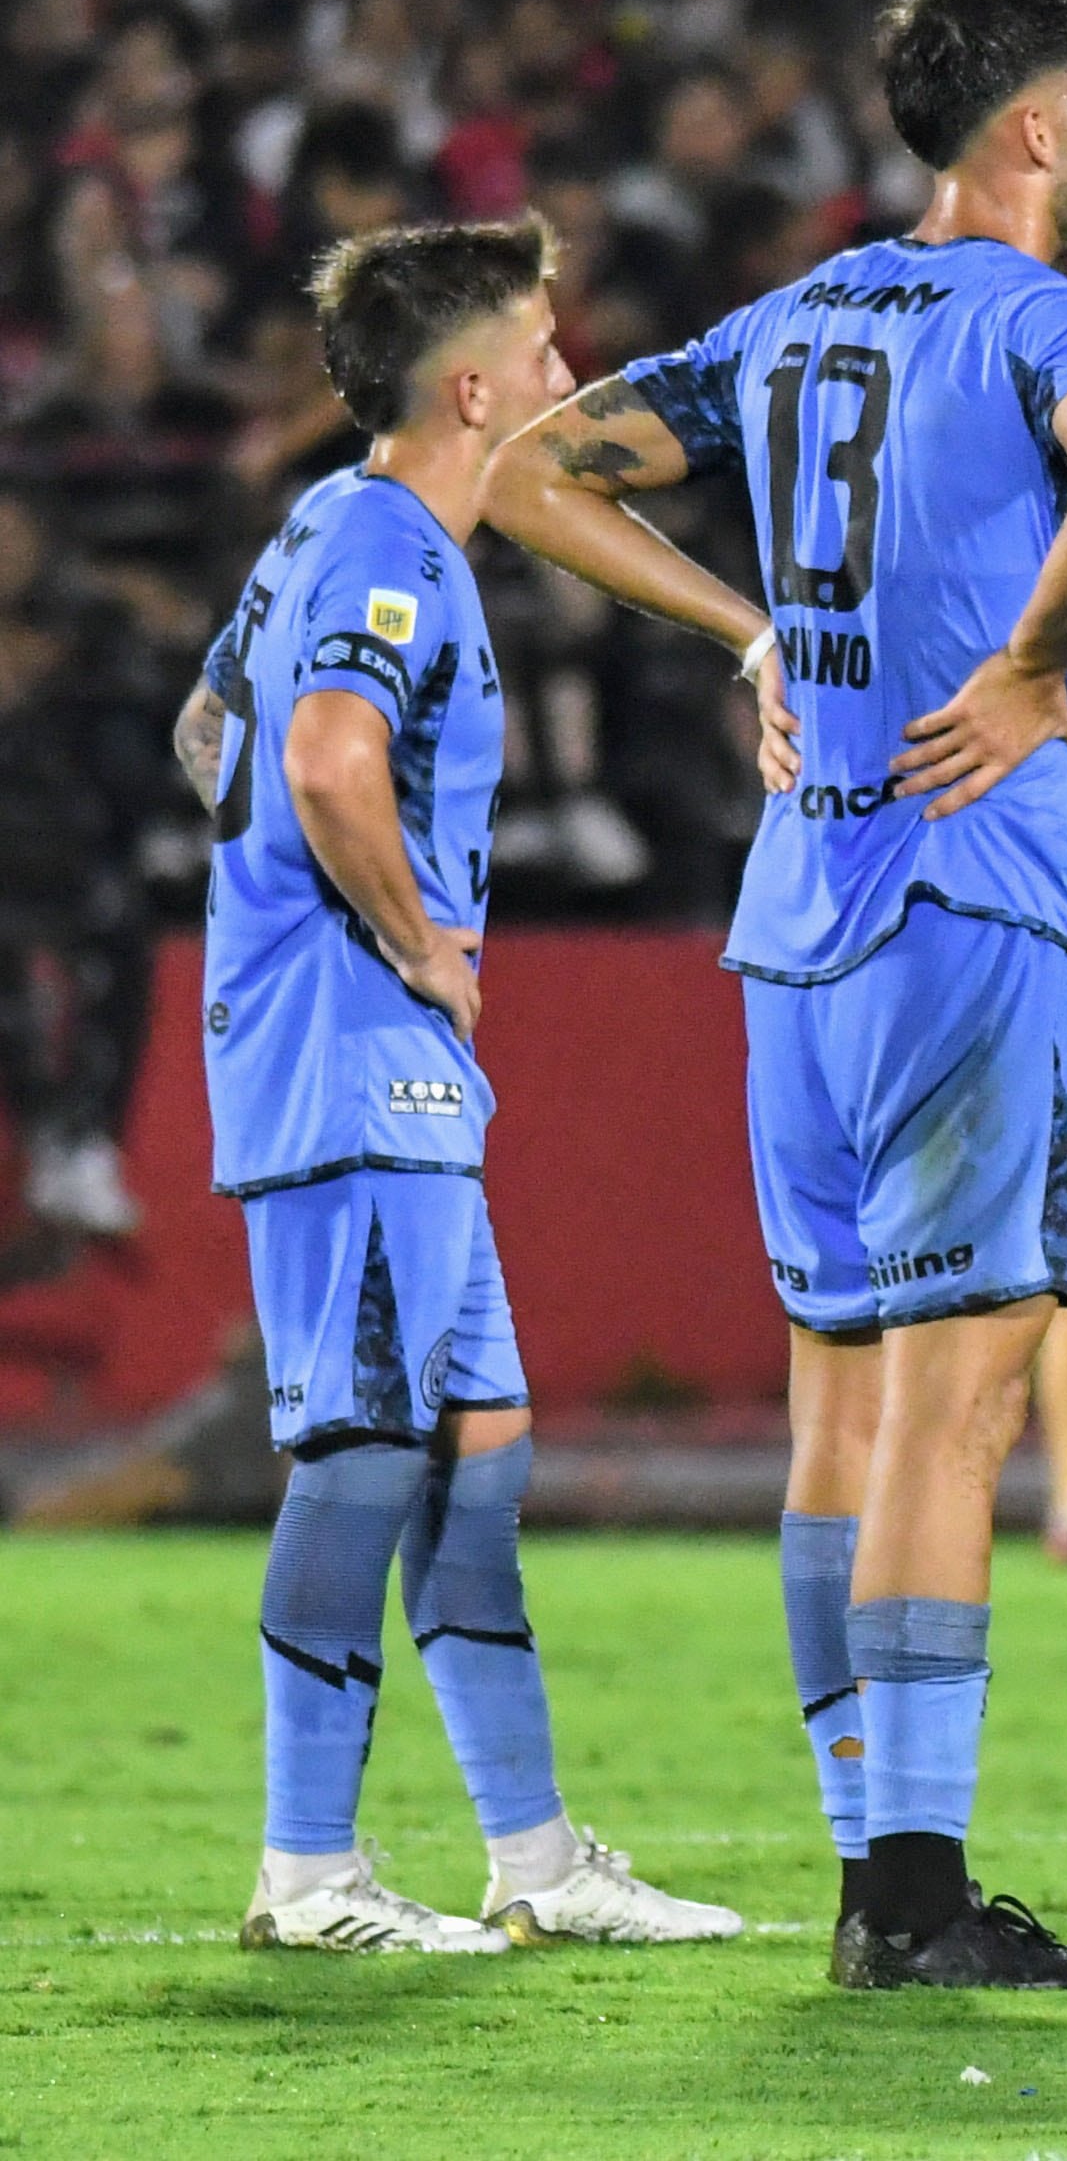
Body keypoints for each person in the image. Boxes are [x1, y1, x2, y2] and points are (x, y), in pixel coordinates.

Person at [479, 0, 1067, 1991]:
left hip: (802, 914)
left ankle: (871, 1860)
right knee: (961, 1418)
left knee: (839, 1414)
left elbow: (532, 466)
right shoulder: (1054, 320)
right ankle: (912, 1894)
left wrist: (749, 632)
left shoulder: (791, 321)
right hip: (979, 897)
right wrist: (1038, 665)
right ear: (1029, 131)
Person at [186, 215, 739, 1956]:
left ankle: (534, 1855)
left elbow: (209, 731)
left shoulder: (326, 533)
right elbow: (325, 754)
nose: (569, 377)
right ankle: (308, 1874)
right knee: (361, 1456)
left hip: (384, 1068)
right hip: (357, 1062)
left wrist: (254, 891)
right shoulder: (389, 550)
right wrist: (418, 942)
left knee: (475, 1451)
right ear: (476, 383)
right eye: (549, 348)